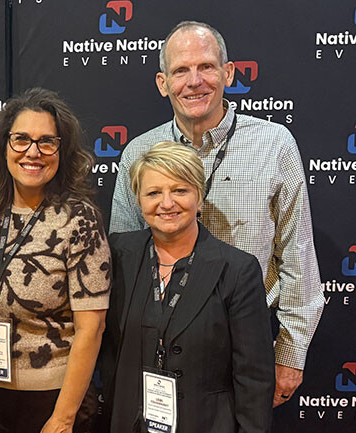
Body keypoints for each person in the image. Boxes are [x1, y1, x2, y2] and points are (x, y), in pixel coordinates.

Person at [109, 20, 324, 407]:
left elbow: (298, 257)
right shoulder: (138, 153)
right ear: (163, 83)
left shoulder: (274, 145)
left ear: (228, 73)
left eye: (206, 67)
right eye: (181, 70)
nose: (194, 81)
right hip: (155, 350)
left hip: (244, 347)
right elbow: (123, 264)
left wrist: (289, 356)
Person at [0, 88, 110, 433]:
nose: (33, 152)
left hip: (53, 400)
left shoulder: (79, 219)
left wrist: (63, 418)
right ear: (4, 145)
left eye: (46, 142)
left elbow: (91, 329)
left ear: (62, 150)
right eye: (21, 139)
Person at [101, 141, 274, 433]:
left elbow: (254, 377)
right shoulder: (116, 255)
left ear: (199, 197)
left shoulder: (237, 269)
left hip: (207, 423)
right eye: (153, 193)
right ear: (139, 201)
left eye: (180, 190)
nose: (167, 203)